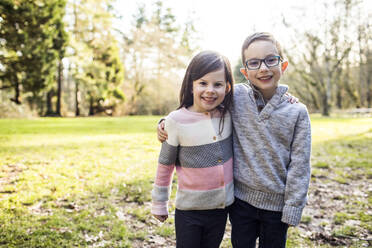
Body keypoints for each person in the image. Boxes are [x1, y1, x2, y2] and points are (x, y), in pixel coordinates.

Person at [157, 32, 311, 248]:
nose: (264, 68)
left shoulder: (298, 112)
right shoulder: (236, 97)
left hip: (277, 206)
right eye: (255, 63)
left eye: (271, 60)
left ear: (282, 65)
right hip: (241, 203)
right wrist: (166, 122)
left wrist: (294, 206)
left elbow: (300, 164)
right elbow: (202, 108)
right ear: (245, 72)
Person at [151, 50, 235, 248]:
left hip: (221, 208)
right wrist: (159, 203)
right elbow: (165, 165)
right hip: (189, 211)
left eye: (218, 84)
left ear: (228, 87)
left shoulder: (229, 115)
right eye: (203, 83)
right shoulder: (176, 121)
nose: (210, 90)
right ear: (191, 85)